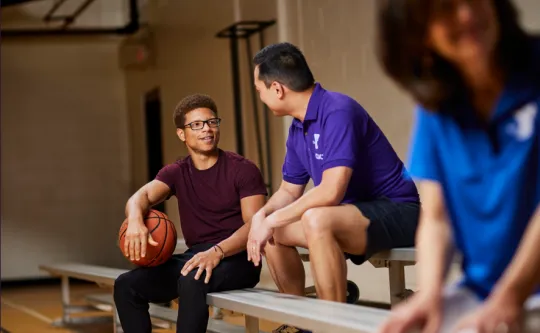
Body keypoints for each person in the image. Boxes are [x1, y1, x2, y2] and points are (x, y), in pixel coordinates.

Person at [375, 0, 540, 332]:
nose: (466, 14)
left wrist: (510, 297)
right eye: (445, 9)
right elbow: (437, 218)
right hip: (484, 289)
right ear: (418, 34)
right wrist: (429, 295)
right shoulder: (437, 104)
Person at [247, 42, 421, 333]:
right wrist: (261, 218)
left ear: (276, 89)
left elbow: (331, 191)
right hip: (351, 215)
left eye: (259, 90)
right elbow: (289, 191)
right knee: (274, 230)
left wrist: (274, 218)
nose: (261, 97)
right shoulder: (298, 128)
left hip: (400, 210)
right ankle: (300, 323)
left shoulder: (338, 110)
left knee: (315, 218)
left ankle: (332, 328)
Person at [114, 94, 267, 333]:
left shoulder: (243, 170)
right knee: (126, 285)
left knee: (192, 279)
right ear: (181, 134)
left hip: (238, 259)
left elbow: (255, 225)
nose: (207, 129)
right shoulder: (176, 172)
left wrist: (217, 252)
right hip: (196, 256)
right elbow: (139, 198)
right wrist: (135, 221)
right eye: (196, 124)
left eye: (212, 122)